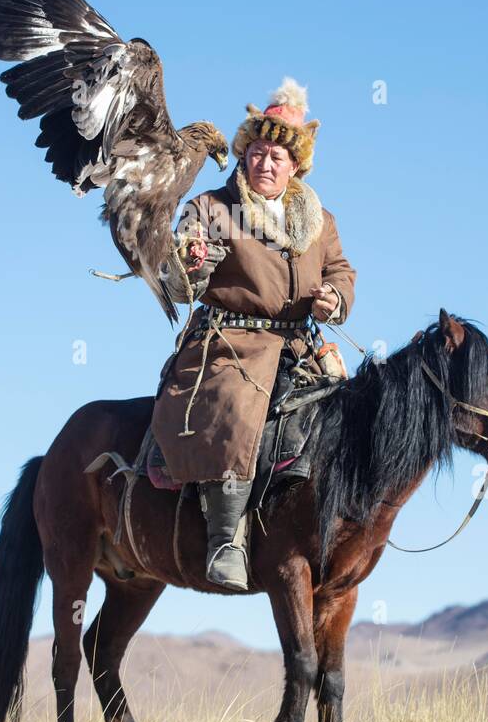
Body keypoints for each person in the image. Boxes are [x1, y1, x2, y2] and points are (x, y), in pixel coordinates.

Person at [149, 78, 357, 592]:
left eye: (278, 157)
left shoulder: (321, 222)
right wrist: (191, 263)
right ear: (243, 154)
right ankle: (226, 536)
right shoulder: (212, 209)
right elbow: (180, 283)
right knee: (240, 406)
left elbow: (341, 272)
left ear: (296, 167)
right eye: (258, 153)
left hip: (302, 347)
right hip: (229, 343)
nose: (266, 164)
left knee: (353, 411)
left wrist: (335, 298)